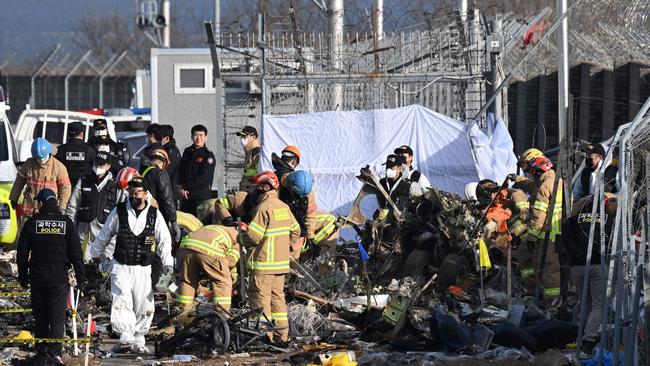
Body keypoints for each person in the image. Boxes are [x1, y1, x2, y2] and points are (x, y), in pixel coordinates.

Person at [90, 176, 173, 353]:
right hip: (121, 265)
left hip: (144, 267)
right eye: (131, 193)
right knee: (122, 298)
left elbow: (164, 240)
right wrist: (95, 256)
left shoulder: (154, 215)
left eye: (137, 193)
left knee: (144, 302)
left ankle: (139, 338)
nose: (133, 197)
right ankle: (126, 337)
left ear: (145, 194)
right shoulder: (119, 211)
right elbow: (105, 234)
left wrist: (168, 264)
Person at [17, 188, 85, 364]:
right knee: (57, 317)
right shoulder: (66, 223)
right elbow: (76, 254)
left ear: (40, 203)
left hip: (38, 277)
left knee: (40, 316)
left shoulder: (32, 223)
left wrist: (23, 276)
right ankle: (55, 354)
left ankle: (41, 352)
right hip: (58, 279)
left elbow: (22, 253)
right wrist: (81, 278)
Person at [243, 171, 301, 343]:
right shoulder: (284, 207)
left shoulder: (262, 209)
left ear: (265, 187)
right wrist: (285, 247)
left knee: (261, 301)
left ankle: (264, 337)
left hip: (263, 265)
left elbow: (253, 237)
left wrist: (240, 238)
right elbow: (296, 230)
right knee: (278, 301)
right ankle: (281, 336)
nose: (254, 192)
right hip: (280, 266)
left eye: (256, 188)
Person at [562, 193, 615, 353]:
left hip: (577, 267)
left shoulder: (572, 220)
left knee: (585, 303)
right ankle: (588, 338)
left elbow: (565, 241)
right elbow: (613, 241)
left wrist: (575, 255)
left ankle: (582, 336)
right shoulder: (608, 219)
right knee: (599, 304)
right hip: (598, 264)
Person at [513, 156, 563, 301]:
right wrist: (518, 179)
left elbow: (539, 215)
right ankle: (552, 301)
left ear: (540, 170)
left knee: (548, 271)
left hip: (546, 236)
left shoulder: (544, 186)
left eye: (534, 172)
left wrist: (531, 237)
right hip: (559, 234)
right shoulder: (558, 182)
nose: (532, 175)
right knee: (553, 269)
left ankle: (550, 304)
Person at [66, 152, 119, 262]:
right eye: (96, 164)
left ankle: (102, 277)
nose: (98, 168)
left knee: (106, 260)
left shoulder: (115, 185)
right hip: (84, 228)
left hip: (106, 228)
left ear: (108, 166)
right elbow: (73, 205)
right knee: (82, 258)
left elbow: (122, 207)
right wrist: (70, 225)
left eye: (101, 165)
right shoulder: (84, 180)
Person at [175, 225, 241, 312]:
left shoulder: (215, 227)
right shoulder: (238, 237)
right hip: (209, 250)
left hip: (185, 248)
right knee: (222, 281)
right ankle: (221, 313)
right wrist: (231, 277)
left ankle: (183, 312)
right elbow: (230, 261)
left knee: (187, 280)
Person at [10, 138, 71, 216]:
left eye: (42, 158)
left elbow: (65, 188)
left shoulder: (58, 167)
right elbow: (19, 181)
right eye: (37, 158)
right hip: (29, 211)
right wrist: (14, 198)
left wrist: (62, 207)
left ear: (49, 153)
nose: (40, 160)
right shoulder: (29, 164)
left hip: (48, 212)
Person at [286, 170, 338, 257]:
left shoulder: (307, 192)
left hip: (298, 223)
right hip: (287, 228)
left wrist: (309, 235)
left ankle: (323, 263)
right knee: (293, 257)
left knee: (330, 221)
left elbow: (310, 214)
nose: (302, 199)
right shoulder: (280, 191)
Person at [140, 148, 181, 242]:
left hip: (142, 218)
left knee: (147, 245)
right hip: (158, 218)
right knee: (160, 247)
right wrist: (174, 222)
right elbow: (167, 199)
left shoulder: (142, 173)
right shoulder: (161, 173)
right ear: (164, 163)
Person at [178, 124, 216, 216]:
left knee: (200, 226)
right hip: (186, 196)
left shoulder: (208, 155)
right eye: (195, 135)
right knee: (186, 226)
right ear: (192, 136)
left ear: (205, 137)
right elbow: (181, 171)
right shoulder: (187, 152)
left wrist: (185, 185)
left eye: (201, 135)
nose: (198, 138)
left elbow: (203, 177)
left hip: (201, 197)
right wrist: (181, 188)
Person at [54, 121, 96, 188]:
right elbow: (95, 166)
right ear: (82, 134)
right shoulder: (89, 150)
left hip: (64, 185)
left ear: (68, 134)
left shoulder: (60, 149)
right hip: (83, 188)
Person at [237, 126, 260, 192]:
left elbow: (261, 174)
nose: (242, 139)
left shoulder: (256, 152)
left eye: (245, 136)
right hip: (247, 192)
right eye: (241, 136)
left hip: (252, 193)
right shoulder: (249, 152)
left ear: (254, 137)